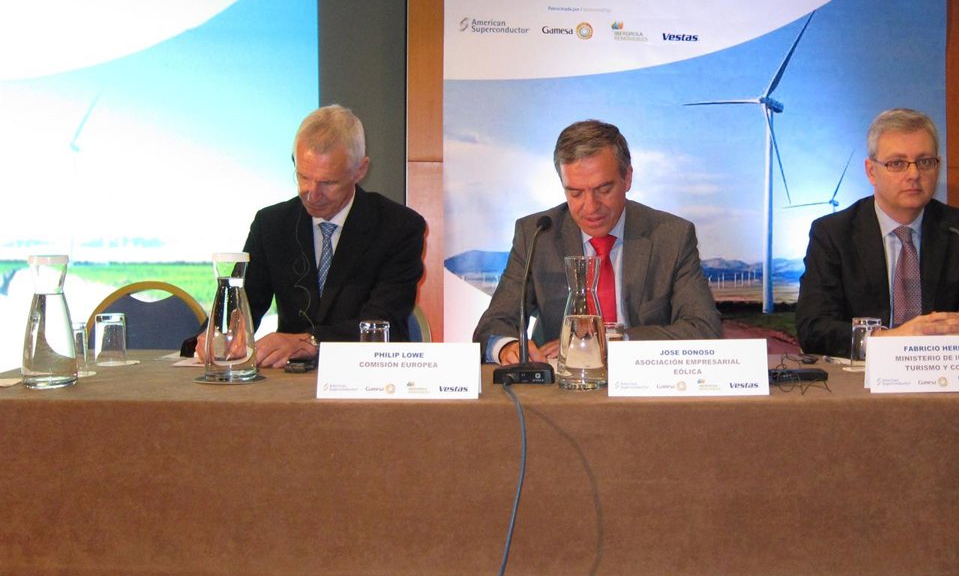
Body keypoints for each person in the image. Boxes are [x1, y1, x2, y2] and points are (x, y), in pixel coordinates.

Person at [192, 105, 426, 368]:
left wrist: (310, 342)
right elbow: (244, 299)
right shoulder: (271, 224)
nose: (312, 194)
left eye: (328, 183)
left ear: (360, 170)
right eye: (303, 177)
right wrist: (216, 335)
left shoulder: (399, 228)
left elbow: (383, 323)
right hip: (287, 380)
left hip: (368, 376)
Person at [474, 119, 722, 365]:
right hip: (560, 385)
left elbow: (703, 329)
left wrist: (612, 341)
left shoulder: (671, 236)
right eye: (575, 193)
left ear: (627, 178)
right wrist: (507, 347)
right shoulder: (538, 235)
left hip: (645, 380)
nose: (591, 207)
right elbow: (492, 326)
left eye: (603, 189)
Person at [794, 108, 959, 356]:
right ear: (871, 171)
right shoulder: (833, 233)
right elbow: (813, 329)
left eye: (925, 162)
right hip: (863, 375)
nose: (914, 174)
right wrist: (891, 339)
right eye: (897, 163)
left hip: (941, 373)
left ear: (938, 166)